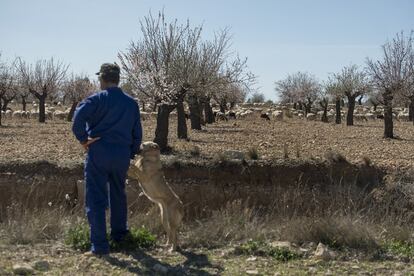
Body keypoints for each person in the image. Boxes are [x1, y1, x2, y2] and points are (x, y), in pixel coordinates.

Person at [72, 63, 142, 256]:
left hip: (98, 153)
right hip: (121, 155)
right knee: (118, 194)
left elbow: (77, 119)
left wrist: (84, 140)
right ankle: (120, 236)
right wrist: (131, 153)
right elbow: (137, 133)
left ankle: (100, 246)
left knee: (95, 198)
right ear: (118, 79)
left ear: (102, 79)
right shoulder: (131, 103)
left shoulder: (95, 100)